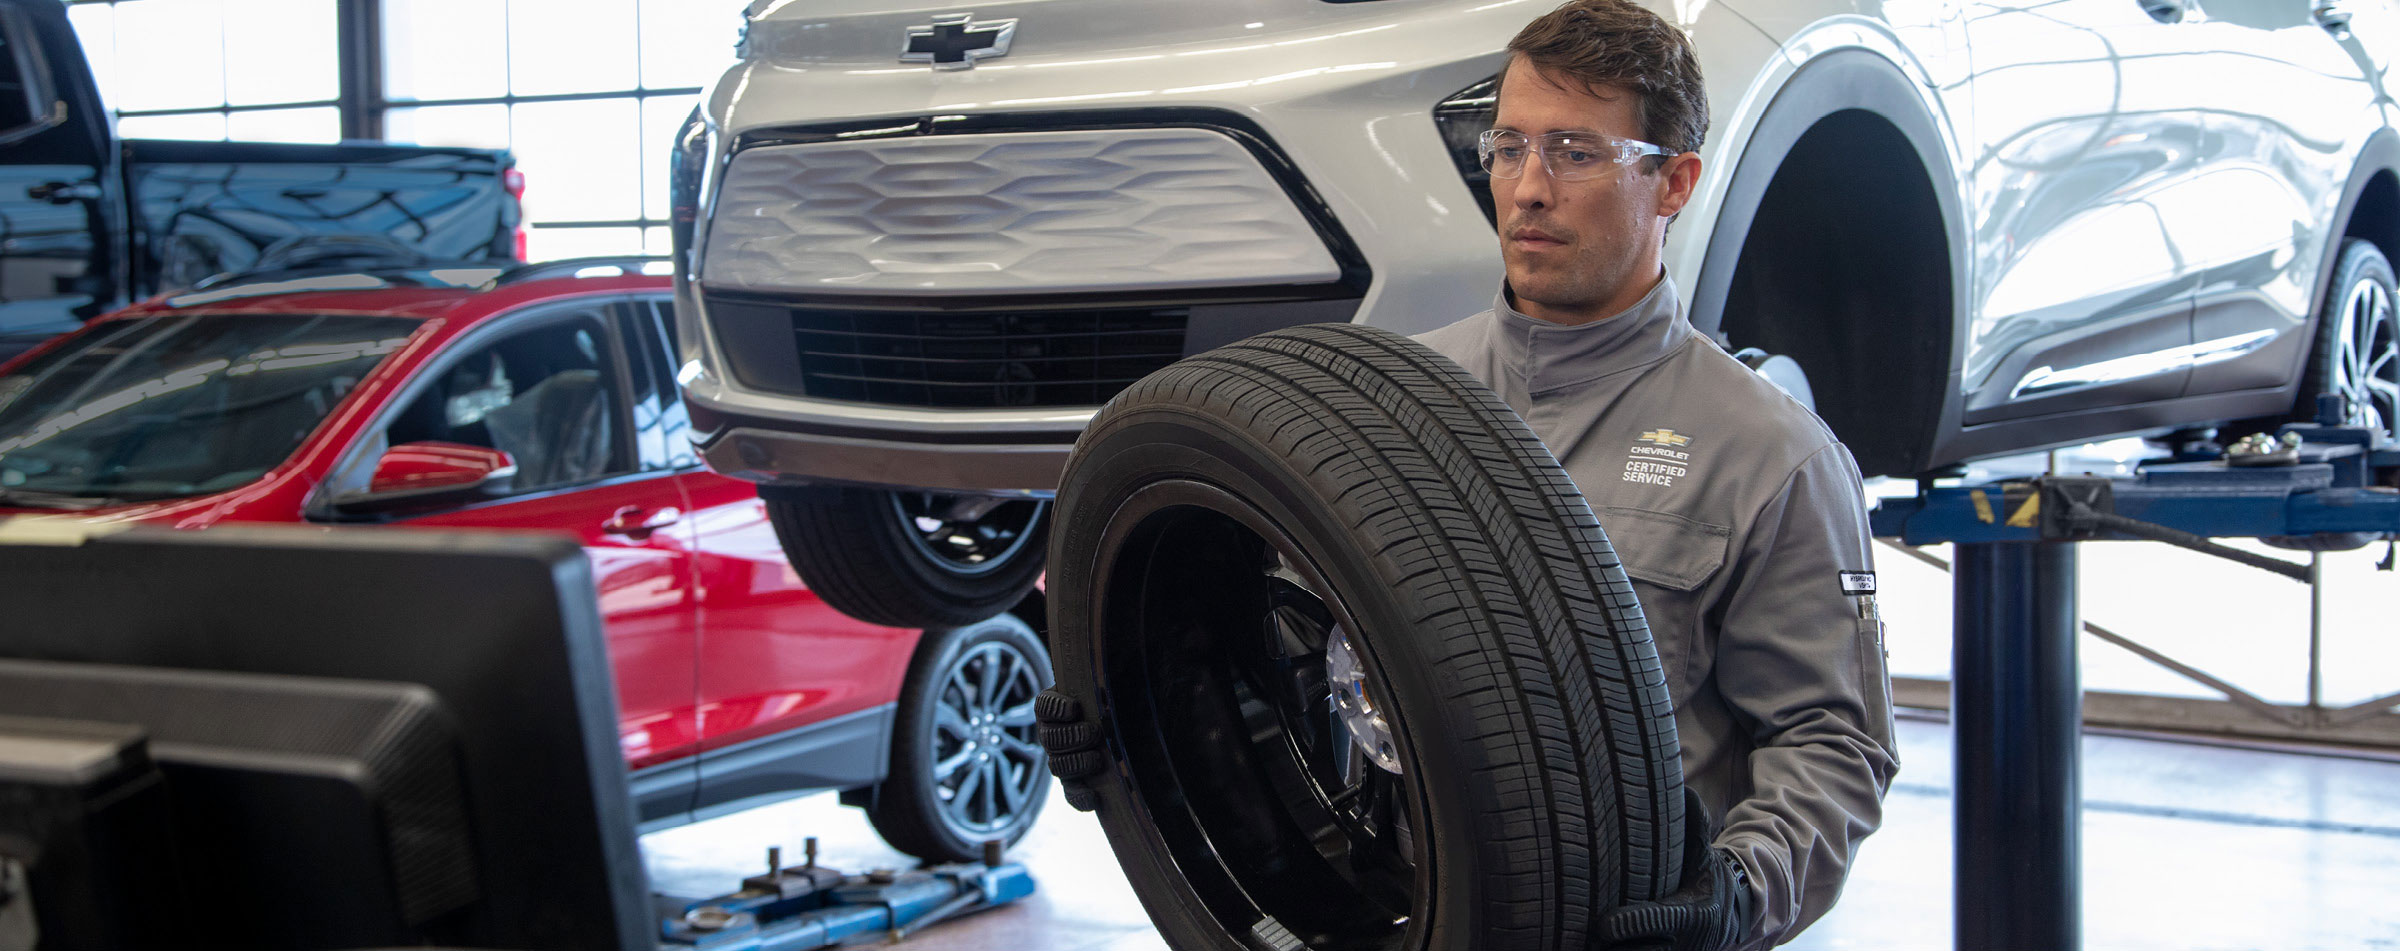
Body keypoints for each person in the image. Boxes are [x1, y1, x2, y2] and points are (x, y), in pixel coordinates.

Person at [1410, 3, 1900, 949]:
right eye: (1508, 146)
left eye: (1576, 152)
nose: (1528, 190)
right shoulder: (1396, 397)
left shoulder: (1770, 454)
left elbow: (1832, 745)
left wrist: (1738, 894)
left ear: (1673, 182)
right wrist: (1130, 727)